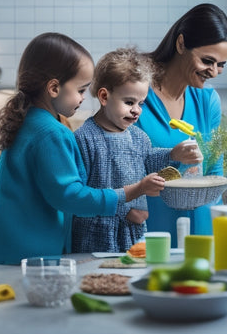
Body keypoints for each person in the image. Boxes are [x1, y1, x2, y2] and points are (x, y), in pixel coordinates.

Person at [0, 33, 165, 266]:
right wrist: (132, 191)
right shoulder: (52, 133)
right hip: (18, 254)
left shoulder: (27, 121)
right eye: (81, 90)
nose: (82, 98)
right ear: (53, 88)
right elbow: (71, 196)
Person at [71, 47, 202, 253]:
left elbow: (148, 160)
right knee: (101, 279)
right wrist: (125, 207)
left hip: (136, 233)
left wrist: (172, 154)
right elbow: (82, 196)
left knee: (132, 277)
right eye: (129, 102)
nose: (136, 110)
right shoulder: (84, 139)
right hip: (99, 235)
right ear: (104, 97)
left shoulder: (138, 136)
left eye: (141, 103)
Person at [136, 3, 227, 247]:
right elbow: (117, 165)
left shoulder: (208, 100)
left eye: (221, 64)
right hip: (149, 232)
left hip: (201, 233)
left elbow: (214, 171)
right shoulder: (135, 92)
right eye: (207, 61)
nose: (214, 71)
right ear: (181, 44)